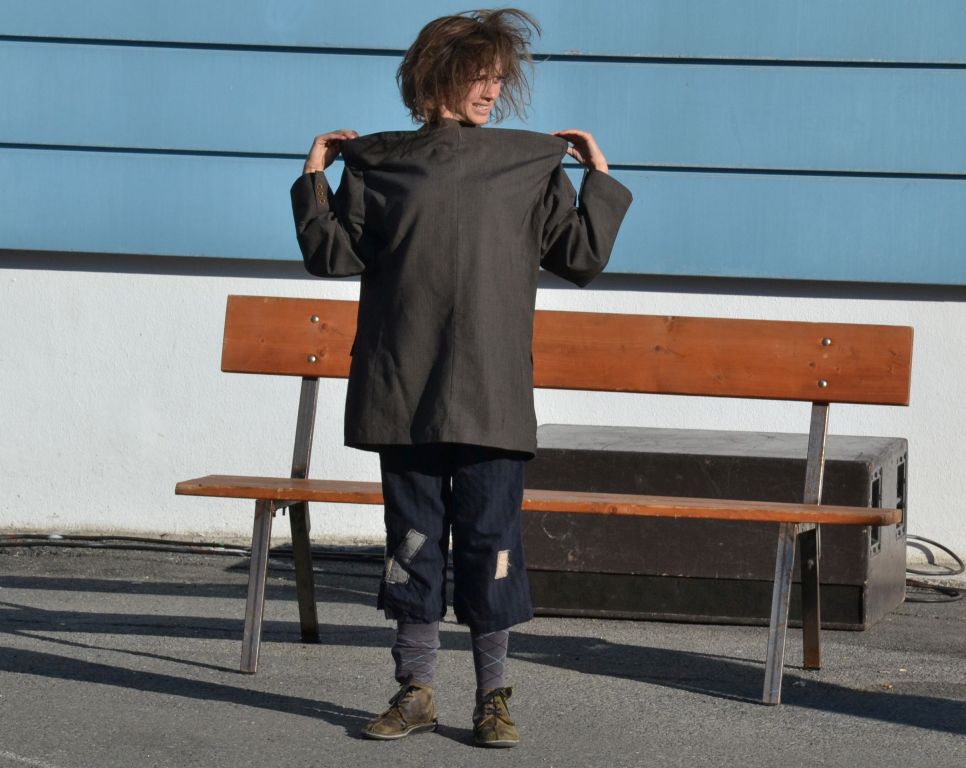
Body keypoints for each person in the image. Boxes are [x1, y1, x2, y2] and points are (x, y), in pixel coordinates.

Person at [290, 8, 632, 748]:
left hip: (490, 395)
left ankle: (492, 700)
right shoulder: (380, 164)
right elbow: (333, 256)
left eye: (500, 77)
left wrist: (597, 177)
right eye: (481, 74)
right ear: (437, 76)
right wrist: (315, 178)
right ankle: (414, 692)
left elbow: (578, 255)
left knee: (491, 544)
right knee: (411, 543)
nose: (494, 88)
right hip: (405, 392)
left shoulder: (525, 165)